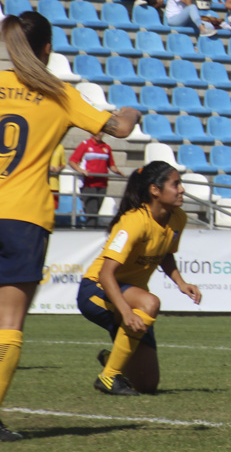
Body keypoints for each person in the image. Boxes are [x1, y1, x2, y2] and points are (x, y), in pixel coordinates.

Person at [0, 11, 139, 440]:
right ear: (47, 49)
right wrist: (131, 111)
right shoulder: (59, 93)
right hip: (23, 217)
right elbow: (117, 129)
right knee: (8, 322)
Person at [77, 161, 200, 395]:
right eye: (176, 184)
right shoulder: (133, 221)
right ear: (155, 190)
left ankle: (112, 360)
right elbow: (105, 273)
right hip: (96, 291)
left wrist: (181, 284)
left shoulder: (178, 218)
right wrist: (126, 311)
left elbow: (165, 255)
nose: (182, 189)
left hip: (129, 297)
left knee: (147, 384)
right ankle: (109, 377)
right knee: (150, 303)